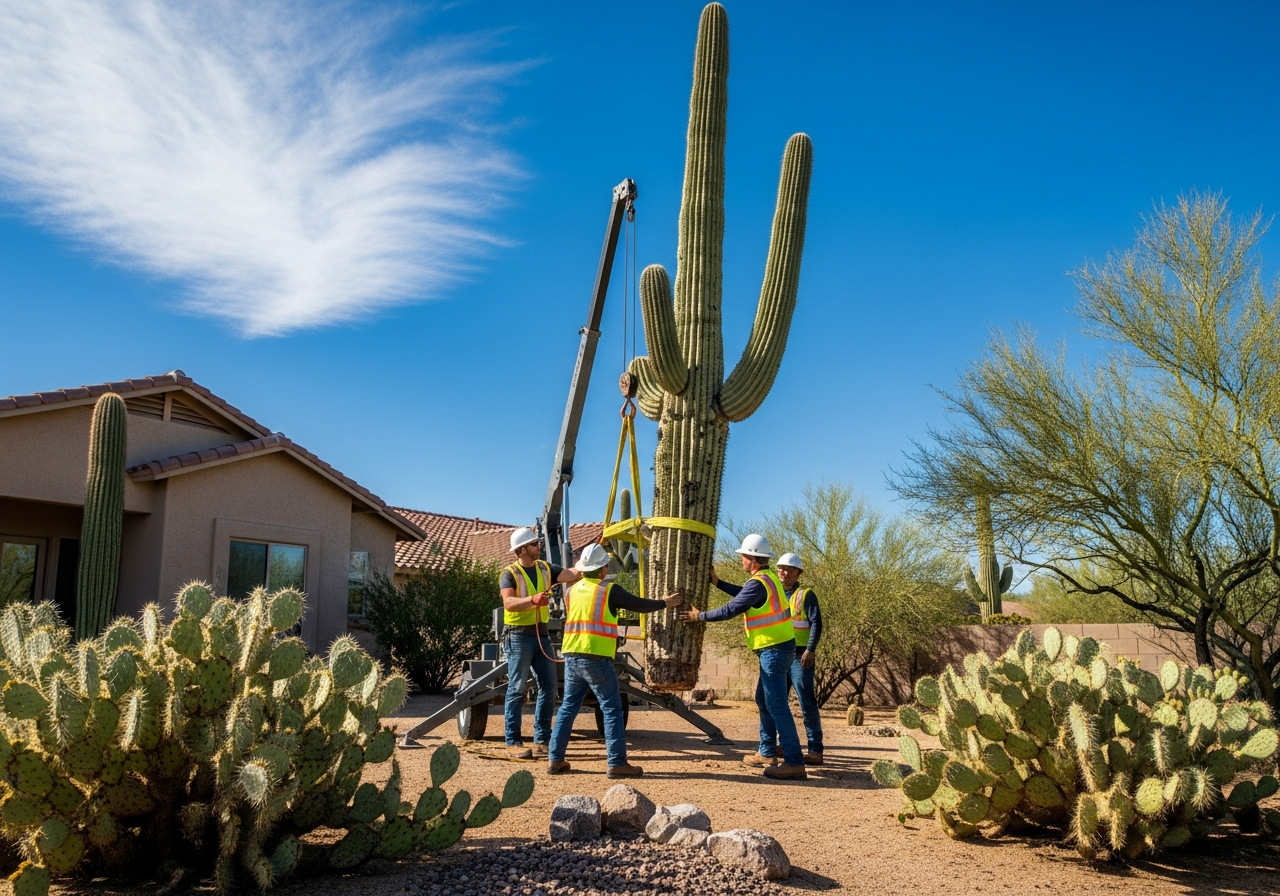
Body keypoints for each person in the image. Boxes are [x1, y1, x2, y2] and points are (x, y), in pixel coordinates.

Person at [547, 542, 683, 778]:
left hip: (571, 656)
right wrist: (665, 603)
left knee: (568, 707)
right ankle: (617, 763)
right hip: (596, 656)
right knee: (611, 708)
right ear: (602, 569)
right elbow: (639, 605)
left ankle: (555, 760)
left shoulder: (570, 591)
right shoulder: (609, 590)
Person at [681, 534, 807, 780]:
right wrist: (718, 583)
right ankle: (766, 751)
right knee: (764, 699)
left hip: (774, 650)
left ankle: (794, 761)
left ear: (752, 559)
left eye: (743, 556)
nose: (741, 560)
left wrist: (700, 616)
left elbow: (733, 608)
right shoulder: (766, 579)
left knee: (777, 705)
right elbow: (743, 594)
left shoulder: (759, 582)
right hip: (779, 647)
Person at [500, 526, 582, 759]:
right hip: (517, 636)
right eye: (535, 544)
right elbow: (509, 603)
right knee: (516, 689)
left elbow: (572, 574)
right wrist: (532, 600)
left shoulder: (545, 568)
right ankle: (513, 742)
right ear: (522, 549)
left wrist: (587, 563)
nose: (539, 546)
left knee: (549, 687)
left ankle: (542, 740)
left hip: (541, 635)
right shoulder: (510, 573)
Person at [776, 552, 824, 765]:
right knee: (778, 703)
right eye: (780, 569)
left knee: (806, 703)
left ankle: (815, 750)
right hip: (779, 655)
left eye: (787, 569)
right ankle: (783, 744)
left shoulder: (806, 595)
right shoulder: (775, 594)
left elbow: (816, 623)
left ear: (797, 573)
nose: (783, 573)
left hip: (799, 656)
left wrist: (810, 650)